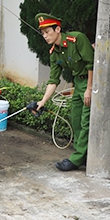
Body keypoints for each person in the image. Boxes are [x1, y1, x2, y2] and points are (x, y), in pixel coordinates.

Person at [34, 13, 94, 172]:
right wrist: (43, 101)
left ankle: (76, 159)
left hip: (91, 81)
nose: (45, 36)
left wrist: (89, 88)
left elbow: (91, 64)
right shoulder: (54, 52)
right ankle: (85, 155)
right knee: (76, 120)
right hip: (78, 83)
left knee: (86, 122)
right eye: (43, 33)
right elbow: (53, 80)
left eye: (48, 32)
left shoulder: (77, 39)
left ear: (58, 29)